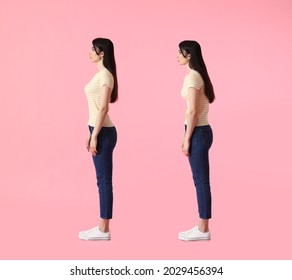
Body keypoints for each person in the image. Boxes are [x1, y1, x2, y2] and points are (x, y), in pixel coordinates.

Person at [79, 38, 118, 241]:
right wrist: (90, 130)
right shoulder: (100, 75)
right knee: (101, 180)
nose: (89, 52)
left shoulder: (106, 76)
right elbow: (95, 110)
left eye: (93, 49)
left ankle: (104, 229)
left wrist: (95, 135)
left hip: (103, 133)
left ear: (102, 53)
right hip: (97, 129)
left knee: (104, 181)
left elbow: (104, 108)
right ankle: (102, 227)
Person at [177, 40, 215, 241]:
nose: (177, 55)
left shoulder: (192, 78)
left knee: (200, 181)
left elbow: (192, 111)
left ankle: (203, 229)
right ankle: (202, 227)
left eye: (179, 52)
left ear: (189, 55)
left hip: (197, 132)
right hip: (202, 130)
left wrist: (186, 139)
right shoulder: (199, 76)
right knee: (201, 181)